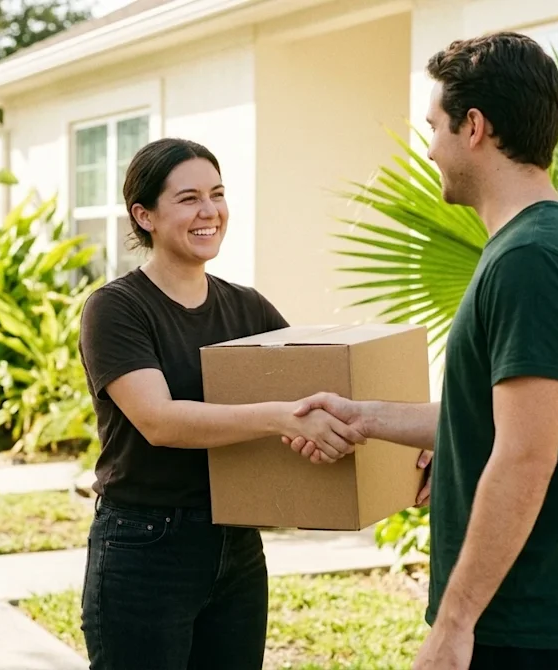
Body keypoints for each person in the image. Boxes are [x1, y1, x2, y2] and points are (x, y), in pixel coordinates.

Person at [286, 32, 558, 670]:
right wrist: (367, 418)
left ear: (474, 127)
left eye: (434, 126)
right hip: (538, 614)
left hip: (523, 621)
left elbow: (525, 457)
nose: (431, 148)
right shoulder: (548, 241)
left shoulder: (532, 259)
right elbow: (501, 423)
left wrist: (454, 623)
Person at [76, 137, 371, 670]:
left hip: (235, 546)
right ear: (144, 215)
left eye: (217, 193)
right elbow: (159, 421)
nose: (209, 211)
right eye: (188, 199)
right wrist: (279, 415)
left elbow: (326, 386)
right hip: (144, 547)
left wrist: (403, 447)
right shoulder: (116, 310)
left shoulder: (246, 307)